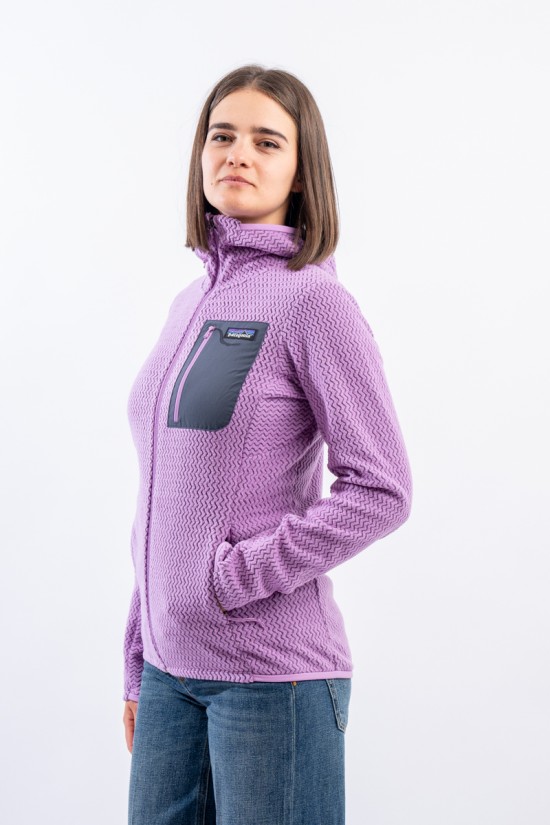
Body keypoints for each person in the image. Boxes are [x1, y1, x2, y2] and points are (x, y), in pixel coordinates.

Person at [122, 63, 413, 825]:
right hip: (169, 674)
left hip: (269, 676)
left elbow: (382, 489)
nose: (238, 154)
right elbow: (165, 494)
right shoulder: (190, 302)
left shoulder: (314, 301)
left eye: (266, 141)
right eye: (222, 136)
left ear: (301, 170)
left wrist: (232, 578)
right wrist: (139, 652)